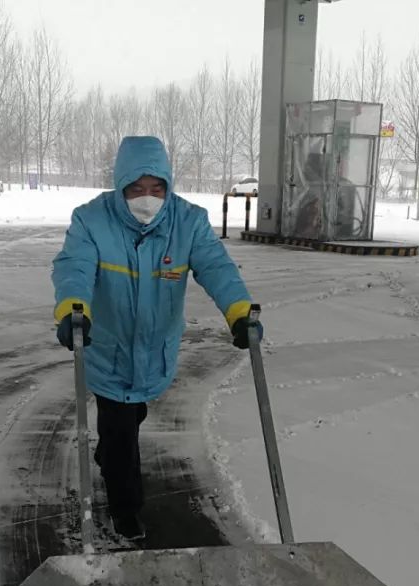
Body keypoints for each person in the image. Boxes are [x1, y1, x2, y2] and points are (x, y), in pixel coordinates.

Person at [51, 135, 262, 540]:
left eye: (156, 188)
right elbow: (73, 267)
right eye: (136, 189)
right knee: (120, 430)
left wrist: (239, 313)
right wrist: (73, 309)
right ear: (121, 186)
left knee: (134, 412)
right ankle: (125, 511)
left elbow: (217, 268)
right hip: (108, 347)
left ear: (168, 186)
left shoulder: (189, 222)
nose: (147, 198)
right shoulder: (91, 220)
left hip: (154, 348)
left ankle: (110, 455)